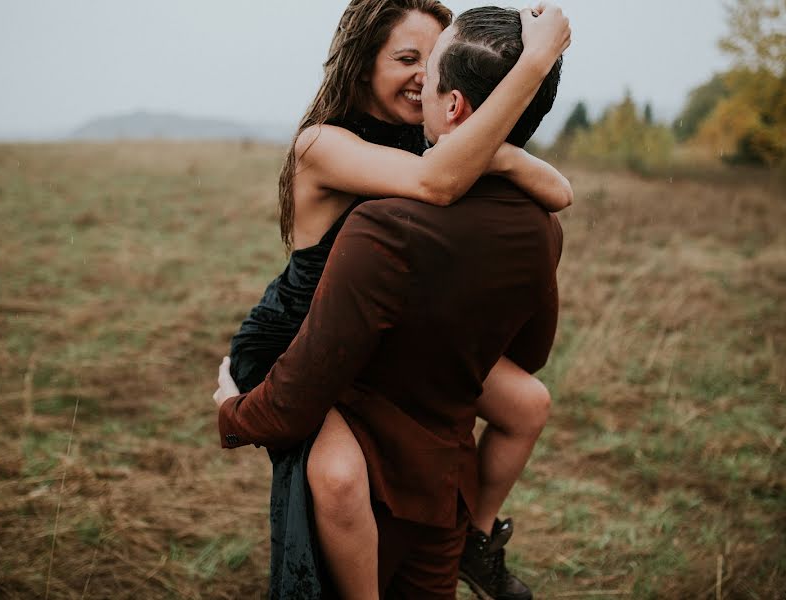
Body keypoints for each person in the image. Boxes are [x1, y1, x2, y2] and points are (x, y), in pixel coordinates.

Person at [222, 2, 570, 598]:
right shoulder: (323, 144)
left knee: (527, 404)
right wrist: (533, 65)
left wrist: (498, 151)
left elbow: (559, 190)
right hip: (300, 335)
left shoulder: (435, 139)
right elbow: (438, 182)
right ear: (361, 68)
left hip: (384, 335)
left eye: (431, 61)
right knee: (336, 475)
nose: (421, 75)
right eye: (405, 59)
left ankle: (473, 543)